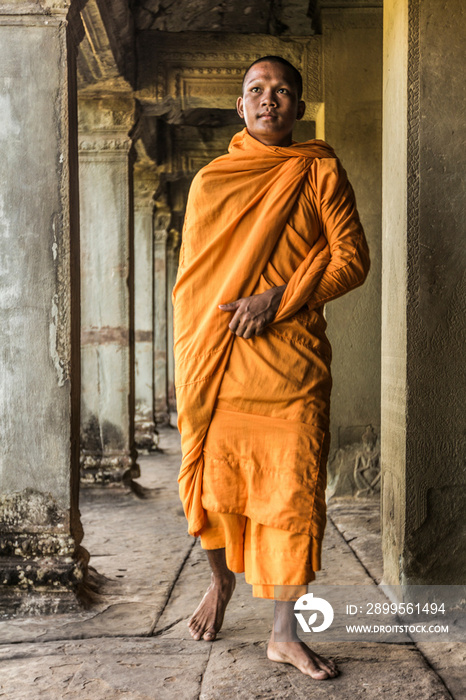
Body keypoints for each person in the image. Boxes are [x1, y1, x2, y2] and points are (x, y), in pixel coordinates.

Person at [172, 55, 370, 679]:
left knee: (292, 495)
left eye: (282, 91)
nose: (269, 100)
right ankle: (222, 584)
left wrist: (279, 300)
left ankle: (283, 634)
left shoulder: (318, 172)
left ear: (298, 106)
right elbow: (195, 287)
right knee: (215, 486)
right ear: (239, 106)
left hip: (291, 369)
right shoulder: (212, 182)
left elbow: (352, 259)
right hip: (223, 361)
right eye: (256, 90)